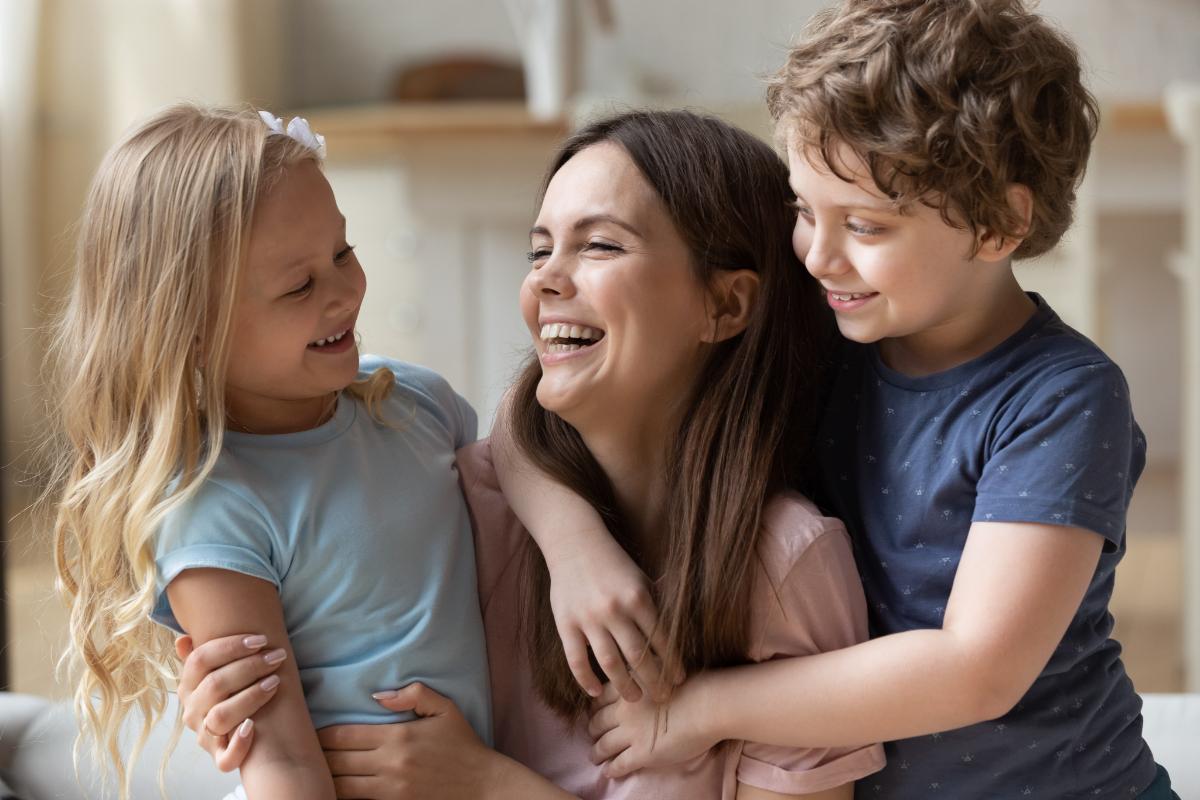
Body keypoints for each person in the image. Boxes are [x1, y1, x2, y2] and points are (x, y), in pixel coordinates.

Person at [483, 1, 1181, 797]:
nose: (819, 255)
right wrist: (573, 544)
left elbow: (976, 668)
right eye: (804, 212)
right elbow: (530, 408)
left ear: (1000, 225)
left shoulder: (1060, 399)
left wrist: (702, 709)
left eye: (866, 227)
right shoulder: (831, 325)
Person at [175, 109, 886, 799]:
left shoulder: (784, 568)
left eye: (600, 246)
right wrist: (239, 699)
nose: (545, 279)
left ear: (725, 308)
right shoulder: (467, 501)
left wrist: (488, 787)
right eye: (539, 250)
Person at [42, 104, 491, 799]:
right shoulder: (213, 513)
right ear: (189, 330)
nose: (344, 292)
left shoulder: (420, 403)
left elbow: (525, 520)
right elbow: (278, 760)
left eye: (343, 253)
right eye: (298, 286)